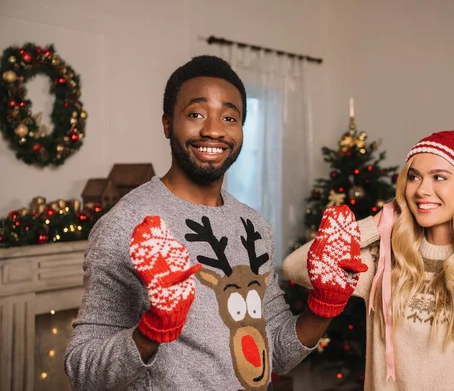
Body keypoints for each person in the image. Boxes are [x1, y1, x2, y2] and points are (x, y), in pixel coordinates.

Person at [64, 55, 367, 391]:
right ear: (167, 123)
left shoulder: (254, 226)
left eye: (229, 117)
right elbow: (83, 369)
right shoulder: (125, 223)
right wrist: (152, 330)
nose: (213, 129)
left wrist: (325, 307)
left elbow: (277, 353)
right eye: (195, 114)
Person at [283, 130, 454, 390]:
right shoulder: (384, 262)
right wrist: (378, 223)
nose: (422, 189)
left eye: (439, 177)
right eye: (414, 177)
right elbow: (296, 267)